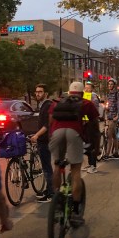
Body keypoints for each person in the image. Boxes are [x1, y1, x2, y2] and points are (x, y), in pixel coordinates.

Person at [48, 81, 100, 226]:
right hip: (74, 133)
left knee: (57, 166)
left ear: (68, 92)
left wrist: (50, 139)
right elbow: (94, 125)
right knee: (76, 170)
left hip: (56, 134)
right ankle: (76, 211)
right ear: (83, 93)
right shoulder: (86, 103)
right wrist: (94, 145)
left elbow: (50, 122)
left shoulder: (57, 102)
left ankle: (57, 200)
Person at [30, 83, 54, 202]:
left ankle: (51, 193)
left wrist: (37, 135)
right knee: (46, 166)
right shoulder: (42, 105)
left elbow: (47, 125)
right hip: (43, 139)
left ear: (46, 93)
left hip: (45, 140)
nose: (37, 93)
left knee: (47, 167)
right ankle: (49, 189)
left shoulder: (47, 105)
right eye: (36, 91)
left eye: (40, 92)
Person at [82, 81, 103, 174]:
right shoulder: (85, 96)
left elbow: (93, 111)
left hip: (92, 124)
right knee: (86, 144)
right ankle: (90, 164)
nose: (86, 89)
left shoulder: (94, 98)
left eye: (88, 88)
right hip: (85, 123)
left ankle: (93, 166)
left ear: (92, 89)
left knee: (91, 145)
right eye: (85, 87)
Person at [102, 78, 119, 160]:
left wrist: (117, 116)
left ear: (114, 85)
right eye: (109, 84)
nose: (110, 85)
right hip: (109, 116)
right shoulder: (109, 94)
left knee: (109, 135)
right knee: (114, 136)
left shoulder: (118, 94)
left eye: (111, 84)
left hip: (114, 117)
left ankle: (107, 154)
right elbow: (108, 105)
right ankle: (116, 153)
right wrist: (106, 109)